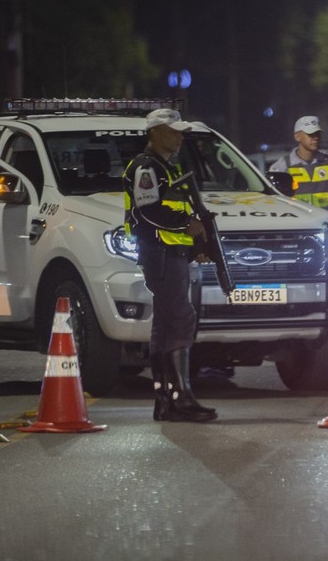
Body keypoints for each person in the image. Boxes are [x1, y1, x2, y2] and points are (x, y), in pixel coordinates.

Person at [122, 108, 218, 423]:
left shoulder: (165, 167)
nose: (179, 136)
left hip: (169, 253)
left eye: (180, 131)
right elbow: (148, 210)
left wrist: (193, 248)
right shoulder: (147, 167)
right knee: (179, 321)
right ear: (155, 132)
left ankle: (167, 400)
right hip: (160, 254)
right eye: (173, 130)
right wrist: (185, 223)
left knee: (164, 327)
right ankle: (180, 397)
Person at [269, 116, 328, 220]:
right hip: (296, 225)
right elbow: (273, 200)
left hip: (325, 225)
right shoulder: (282, 167)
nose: (315, 137)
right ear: (297, 136)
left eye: (317, 134)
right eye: (310, 134)